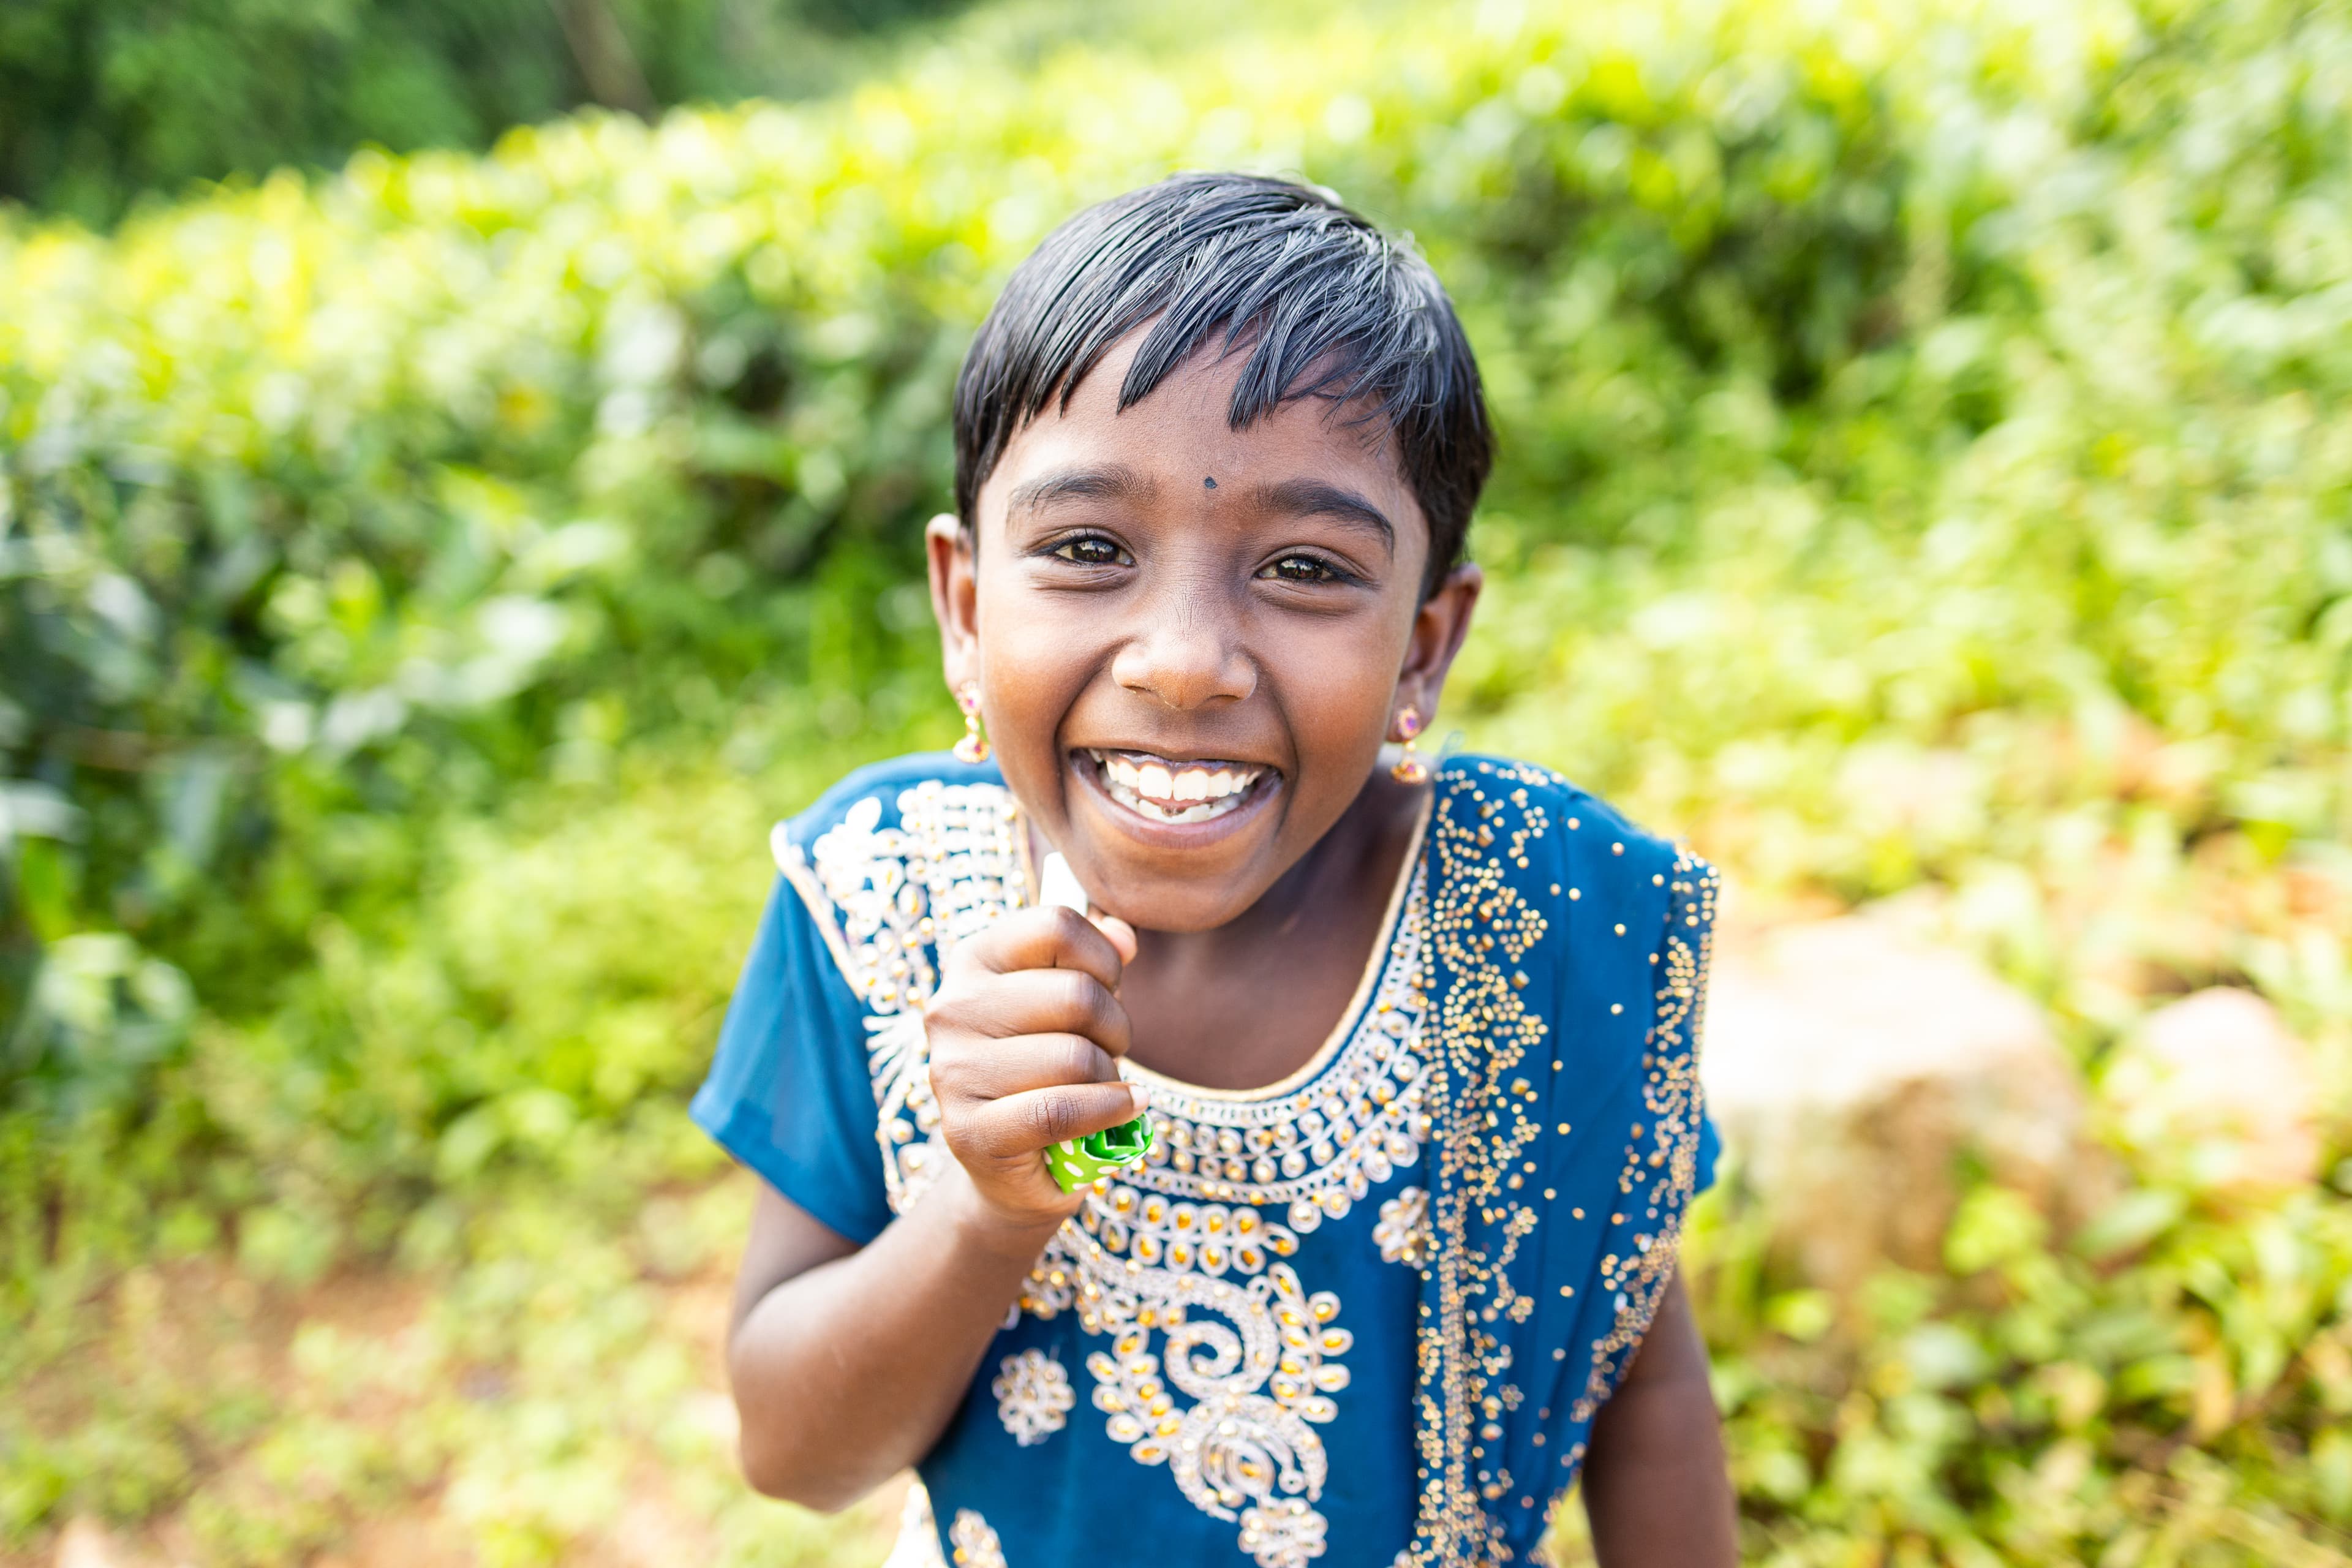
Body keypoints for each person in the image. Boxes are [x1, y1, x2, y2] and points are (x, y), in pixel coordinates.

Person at [692, 172, 1737, 1568]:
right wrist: (987, 1207)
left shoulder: (1539, 922)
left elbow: (1643, 1381)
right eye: (1084, 549)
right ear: (964, 603)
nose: (1183, 659)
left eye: (1305, 567)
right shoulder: (875, 899)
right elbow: (793, 1449)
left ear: (1424, 645)